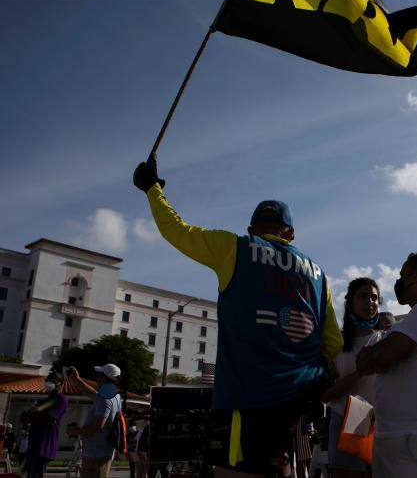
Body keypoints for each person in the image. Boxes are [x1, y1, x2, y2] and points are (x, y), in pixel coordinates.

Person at [133, 156, 343, 477]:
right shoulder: (319, 275)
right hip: (294, 405)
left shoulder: (235, 247)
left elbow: (176, 230)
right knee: (282, 468)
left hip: (242, 399)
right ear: (291, 233)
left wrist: (152, 189)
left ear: (251, 229)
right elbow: (332, 344)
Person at [355, 252, 417, 478]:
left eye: (403, 275)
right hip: (398, 439)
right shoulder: (413, 319)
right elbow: (365, 363)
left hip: (413, 442)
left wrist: (373, 354)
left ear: (416, 276)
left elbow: (381, 358)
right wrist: (373, 356)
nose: (399, 281)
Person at [322, 278, 382, 478]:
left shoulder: (386, 340)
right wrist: (359, 373)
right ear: (350, 303)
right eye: (363, 296)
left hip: (380, 424)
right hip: (344, 422)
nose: (370, 302)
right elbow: (325, 394)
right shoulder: (335, 344)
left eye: (374, 297)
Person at [67, 364, 123, 478]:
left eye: (99, 376)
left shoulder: (105, 399)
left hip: (95, 455)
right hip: (101, 453)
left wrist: (76, 431)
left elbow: (97, 426)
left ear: (105, 378)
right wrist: (77, 380)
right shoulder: (115, 396)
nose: (97, 379)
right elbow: (92, 393)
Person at [23, 374, 68, 478]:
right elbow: (24, 417)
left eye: (53, 381)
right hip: (33, 443)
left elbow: (50, 418)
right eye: (48, 380)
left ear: (60, 384)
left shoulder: (61, 399)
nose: (49, 383)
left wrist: (36, 414)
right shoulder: (43, 400)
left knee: (36, 474)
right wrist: (39, 416)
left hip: (44, 444)